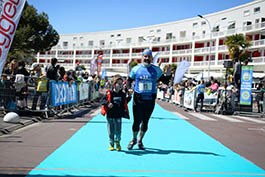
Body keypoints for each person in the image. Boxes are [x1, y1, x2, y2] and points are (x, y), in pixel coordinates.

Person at [126, 49, 169, 150]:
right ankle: (134, 139)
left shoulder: (156, 70)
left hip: (150, 100)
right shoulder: (136, 69)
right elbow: (129, 80)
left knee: (145, 122)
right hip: (138, 99)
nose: (146, 58)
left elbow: (165, 81)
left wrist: (168, 74)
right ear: (142, 57)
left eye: (148, 56)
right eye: (145, 56)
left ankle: (140, 141)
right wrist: (129, 88)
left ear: (151, 58)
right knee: (136, 121)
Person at [101, 75, 131, 151]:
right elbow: (102, 100)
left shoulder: (122, 94)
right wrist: (108, 104)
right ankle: (111, 143)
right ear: (114, 84)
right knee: (111, 131)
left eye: (122, 83)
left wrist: (130, 96)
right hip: (110, 115)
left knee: (118, 130)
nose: (121, 85)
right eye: (119, 83)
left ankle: (117, 142)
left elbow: (125, 102)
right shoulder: (109, 93)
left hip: (118, 115)